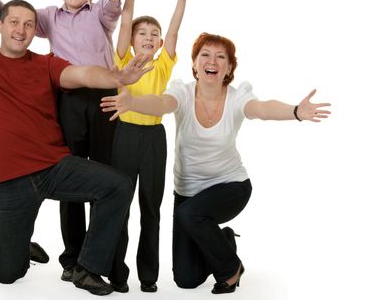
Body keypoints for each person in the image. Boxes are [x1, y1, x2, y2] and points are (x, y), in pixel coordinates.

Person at [0, 0, 153, 296]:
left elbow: (82, 74)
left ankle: (87, 267)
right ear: (0, 25)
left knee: (118, 185)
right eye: (14, 22)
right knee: (7, 275)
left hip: (55, 168)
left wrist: (115, 77)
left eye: (29, 24)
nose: (21, 30)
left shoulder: (45, 64)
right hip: (10, 182)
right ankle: (20, 246)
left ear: (35, 31)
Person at [101, 32, 331, 294]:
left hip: (230, 186)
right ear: (196, 64)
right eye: (205, 55)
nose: (212, 61)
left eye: (221, 57)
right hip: (188, 193)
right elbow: (162, 103)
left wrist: (295, 112)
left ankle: (231, 270)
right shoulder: (183, 93)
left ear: (229, 68)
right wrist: (133, 102)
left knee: (191, 214)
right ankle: (224, 240)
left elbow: (262, 109)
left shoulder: (237, 97)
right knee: (187, 279)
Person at [0, 0, 125, 282]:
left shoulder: (100, 15)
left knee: (105, 177)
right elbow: (12, 18)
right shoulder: (48, 16)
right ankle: (72, 258)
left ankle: (98, 262)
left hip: (104, 97)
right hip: (68, 96)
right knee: (72, 177)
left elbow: (111, 9)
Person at [106, 0, 194, 293]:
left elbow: (173, 30)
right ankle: (117, 273)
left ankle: (149, 276)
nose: (149, 36)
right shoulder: (122, 60)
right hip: (124, 135)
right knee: (120, 206)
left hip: (154, 138)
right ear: (130, 41)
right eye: (142, 33)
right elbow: (126, 20)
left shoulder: (162, 65)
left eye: (153, 35)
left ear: (158, 45)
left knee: (151, 209)